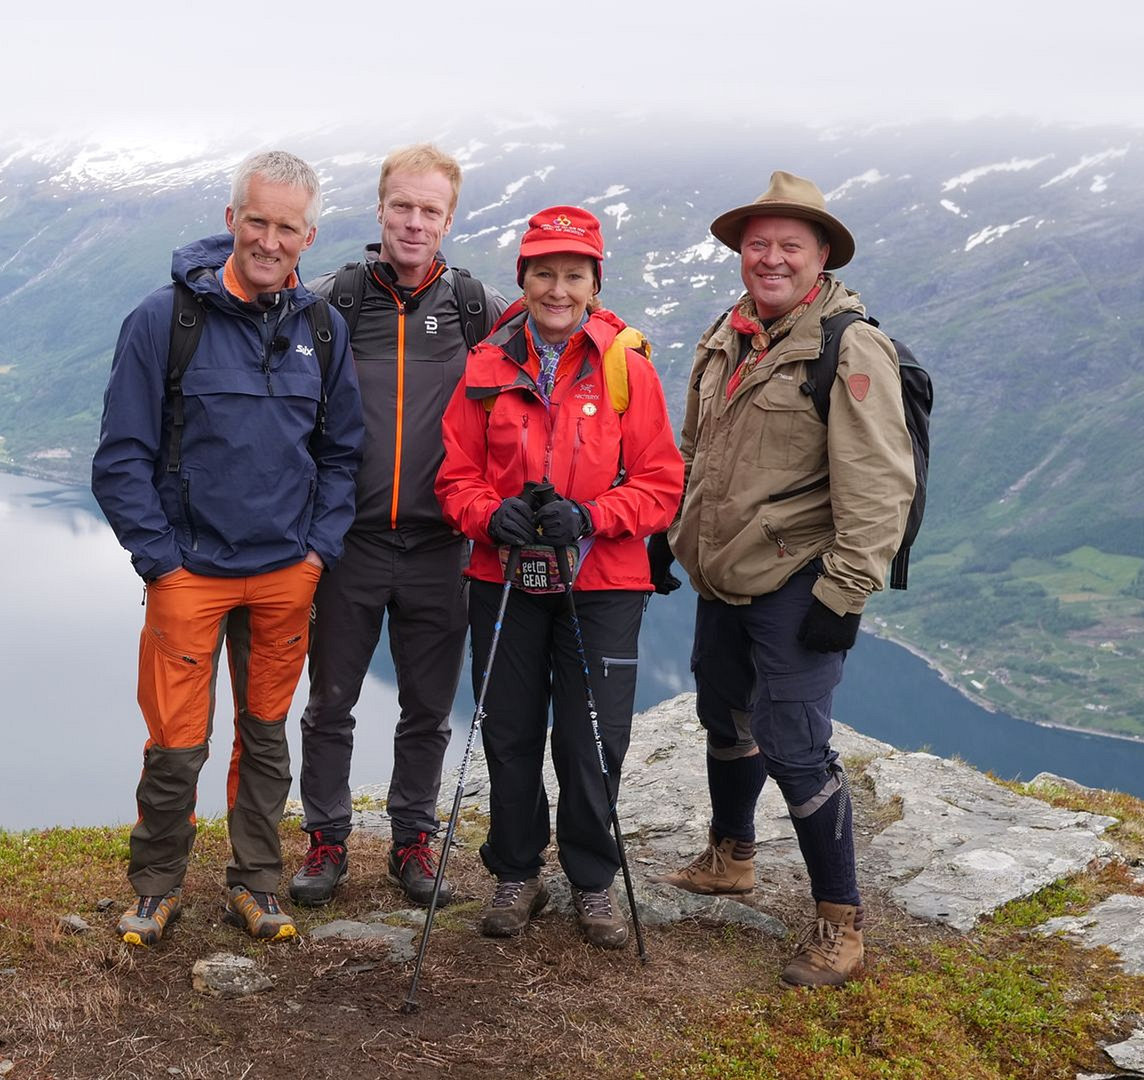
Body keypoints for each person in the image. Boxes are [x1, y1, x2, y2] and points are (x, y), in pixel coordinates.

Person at [91, 150, 364, 946]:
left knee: (267, 734)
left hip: (286, 573)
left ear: (308, 235)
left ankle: (257, 883)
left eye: (287, 226)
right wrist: (162, 561)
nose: (269, 239)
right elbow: (119, 458)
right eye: (257, 220)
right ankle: (155, 886)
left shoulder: (322, 326)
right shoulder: (164, 320)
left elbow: (342, 453)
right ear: (230, 221)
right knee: (177, 745)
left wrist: (317, 551)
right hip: (192, 576)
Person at [653, 171, 915, 987]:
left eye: (788, 246)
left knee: (797, 746)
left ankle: (842, 923)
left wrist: (842, 598)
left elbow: (879, 486)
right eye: (756, 244)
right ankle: (731, 857)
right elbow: (697, 450)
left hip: (800, 578)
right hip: (724, 571)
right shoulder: (729, 333)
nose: (769, 258)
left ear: (821, 254)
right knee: (722, 712)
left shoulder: (848, 344)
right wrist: (672, 533)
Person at [435, 206, 683, 948]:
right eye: (543, 272)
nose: (557, 288)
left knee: (591, 739)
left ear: (594, 283)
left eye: (574, 274)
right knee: (508, 731)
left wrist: (594, 515)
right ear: (524, 277)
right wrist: (490, 516)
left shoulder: (626, 369)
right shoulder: (485, 370)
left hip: (602, 580)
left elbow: (662, 483)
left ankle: (593, 880)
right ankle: (517, 873)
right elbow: (454, 477)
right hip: (503, 575)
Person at [289, 144, 506, 908]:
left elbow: (558, 333)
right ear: (379, 211)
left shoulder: (475, 308)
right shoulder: (335, 301)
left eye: (431, 210)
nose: (415, 223)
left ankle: (412, 842)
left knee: (427, 708)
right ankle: (326, 842)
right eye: (402, 207)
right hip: (349, 542)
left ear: (450, 218)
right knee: (330, 702)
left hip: (443, 545)